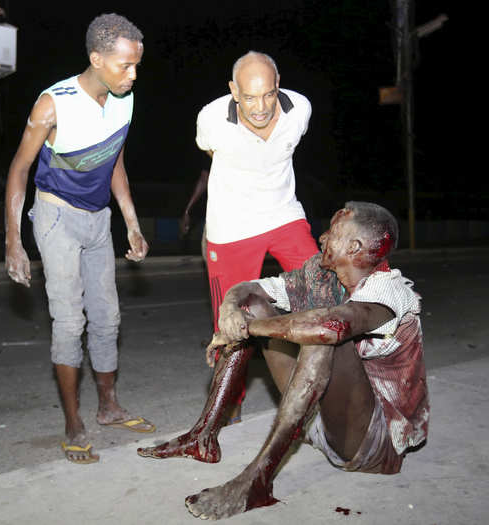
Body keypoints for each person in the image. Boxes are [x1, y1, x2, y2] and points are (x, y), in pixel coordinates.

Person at [138, 202, 429, 520]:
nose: (322, 237)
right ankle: (202, 437)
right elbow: (252, 288)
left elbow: (328, 329)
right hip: (322, 423)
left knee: (322, 335)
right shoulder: (320, 272)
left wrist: (243, 330)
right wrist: (231, 312)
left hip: (372, 442)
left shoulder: (388, 290)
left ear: (354, 246)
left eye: (332, 231)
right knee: (252, 306)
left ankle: (257, 480)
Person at [4, 13, 155, 465]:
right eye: (124, 65)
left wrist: (131, 221)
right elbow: (18, 170)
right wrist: (13, 240)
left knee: (107, 317)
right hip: (56, 218)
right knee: (70, 323)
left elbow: (115, 164)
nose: (133, 75)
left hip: (97, 219)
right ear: (96, 58)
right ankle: (73, 422)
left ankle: (108, 406)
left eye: (136, 65)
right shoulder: (53, 104)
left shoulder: (123, 99)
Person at [195, 51, 321, 423]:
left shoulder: (299, 109)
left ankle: (328, 385)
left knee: (325, 292)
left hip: (284, 215)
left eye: (267, 94)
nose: (260, 106)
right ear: (234, 91)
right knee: (230, 324)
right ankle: (229, 406)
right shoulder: (212, 120)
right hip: (232, 227)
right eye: (249, 97)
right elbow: (207, 151)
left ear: (277, 85)